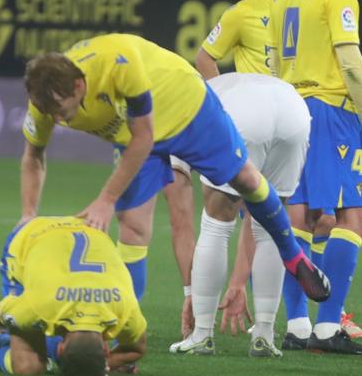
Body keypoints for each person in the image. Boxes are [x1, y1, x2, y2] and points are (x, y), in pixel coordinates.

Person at [18, 34, 328, 313]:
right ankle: (126, 329)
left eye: (61, 110)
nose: (56, 119)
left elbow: (145, 136)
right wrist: (28, 214)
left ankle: (294, 257)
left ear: (78, 86)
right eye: (50, 114)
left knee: (245, 179)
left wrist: (106, 200)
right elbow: (33, 156)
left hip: (186, 106)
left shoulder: (116, 62)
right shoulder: (46, 102)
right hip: (136, 136)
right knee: (132, 228)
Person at [192, 0, 362, 343]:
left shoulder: (295, 4)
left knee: (307, 216)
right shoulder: (247, 10)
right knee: (260, 215)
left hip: (291, 117)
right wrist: (225, 104)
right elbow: (204, 56)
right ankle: (265, 310)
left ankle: (287, 321)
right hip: (261, 121)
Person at [269, 0, 362, 355]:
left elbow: (276, 59)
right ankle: (326, 328)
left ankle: (297, 326)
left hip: (290, 106)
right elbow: (352, 62)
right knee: (352, 216)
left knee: (297, 216)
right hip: (330, 111)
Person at [170, 73, 312, 358]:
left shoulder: (175, 119)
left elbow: (180, 218)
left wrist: (191, 294)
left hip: (243, 114)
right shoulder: (207, 89)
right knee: (270, 224)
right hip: (294, 109)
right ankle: (264, 335)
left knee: (216, 222)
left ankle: (202, 335)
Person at [0, 216, 147, 375]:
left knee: (76, 356)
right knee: (30, 368)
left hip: (87, 228)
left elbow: (137, 349)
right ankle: (0, 340)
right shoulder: (37, 308)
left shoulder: (125, 311)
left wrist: (94, 365)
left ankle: (67, 356)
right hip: (29, 237)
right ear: (106, 349)